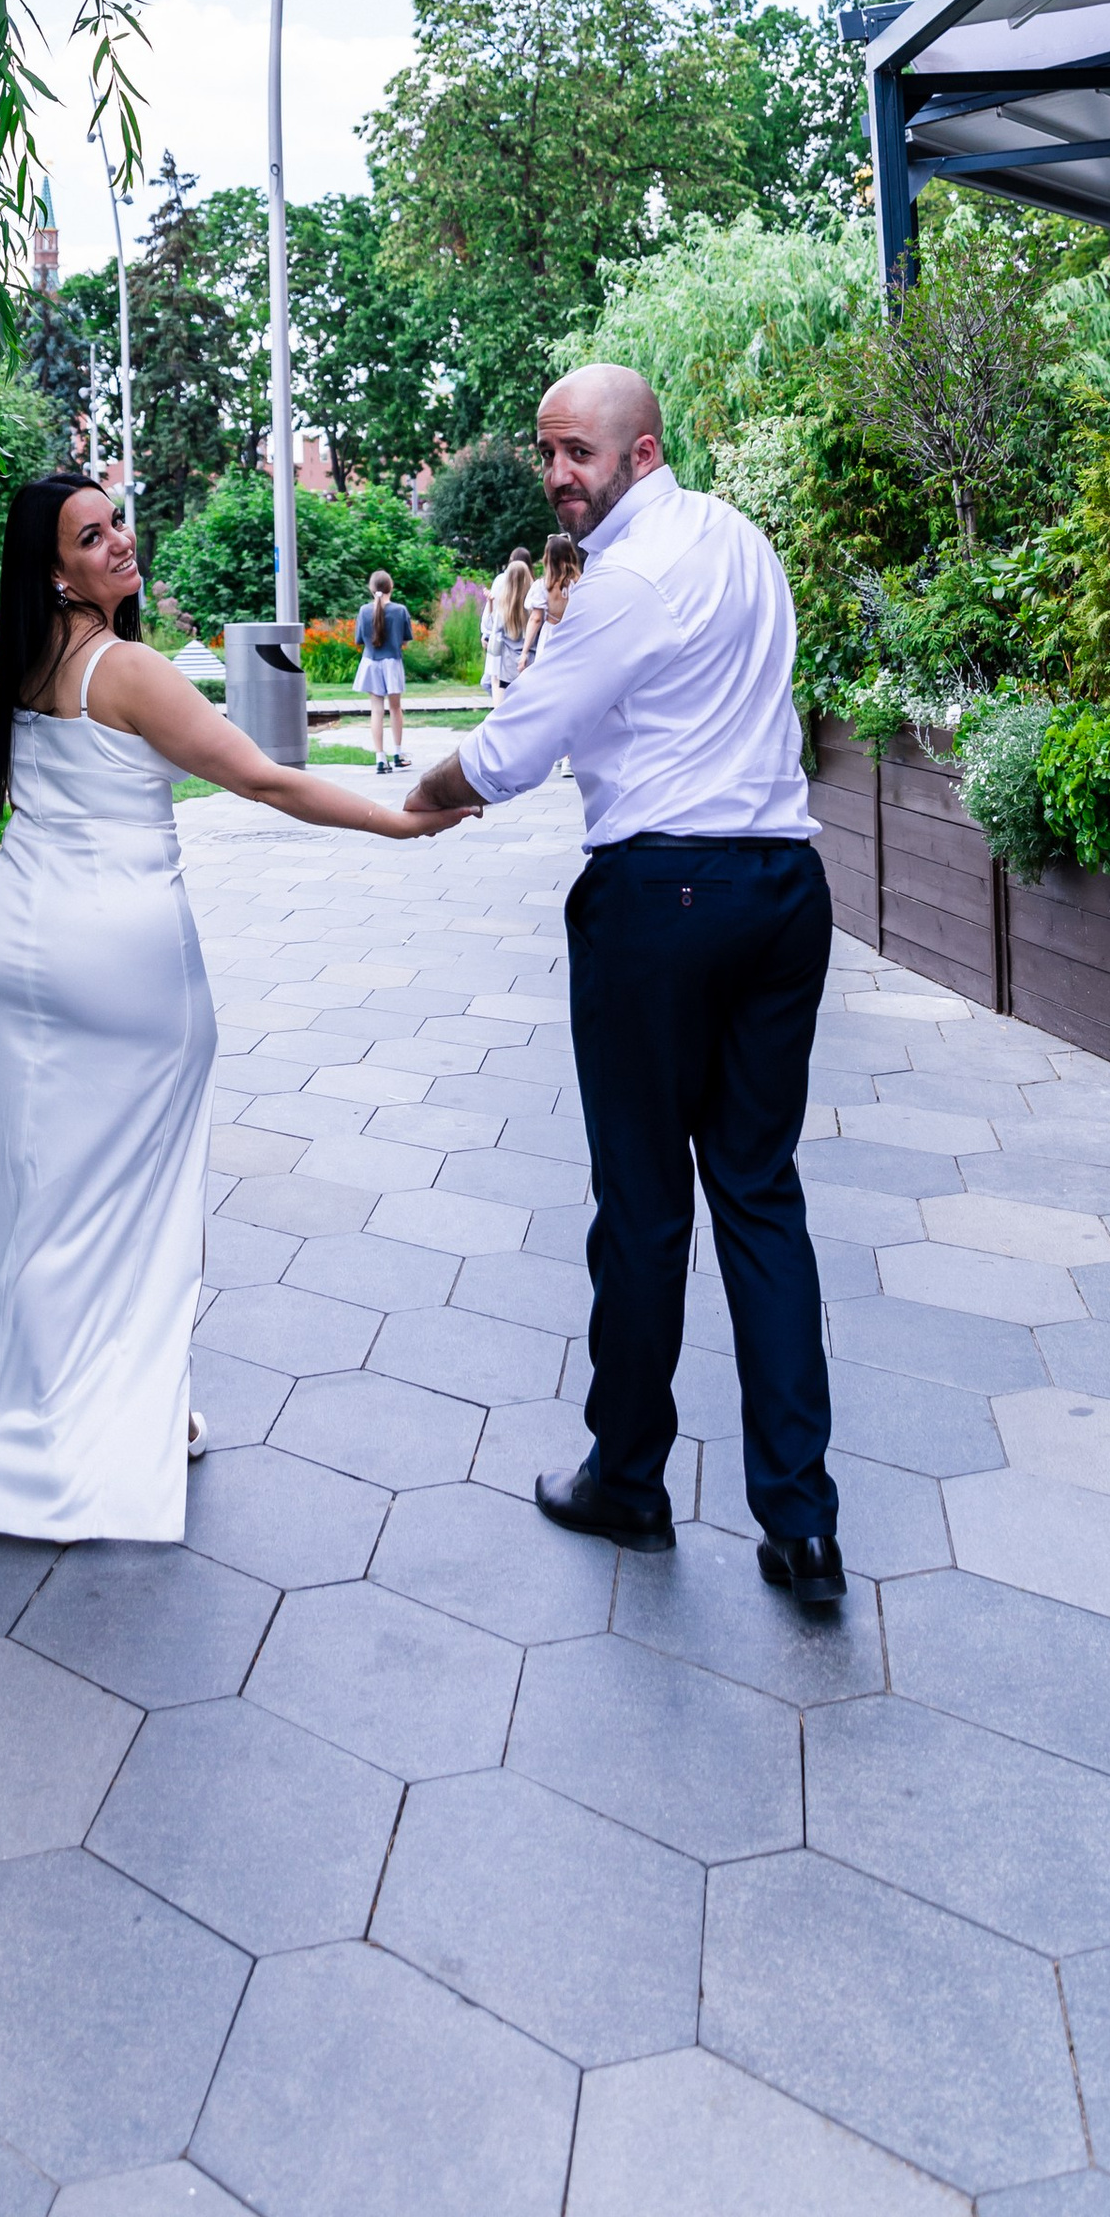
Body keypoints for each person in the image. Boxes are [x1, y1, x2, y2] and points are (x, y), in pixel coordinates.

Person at [0, 471, 459, 1546]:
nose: (119, 541)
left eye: (115, 520)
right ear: (54, 568)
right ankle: (111, 1421)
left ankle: (7, 1417)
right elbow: (265, 780)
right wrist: (398, 822)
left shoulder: (23, 661)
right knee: (123, 1201)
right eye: (91, 534)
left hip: (12, 933)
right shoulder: (129, 670)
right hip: (114, 954)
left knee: (22, 1192)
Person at [405, 368, 843, 1608]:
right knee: (759, 1196)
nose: (558, 475)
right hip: (781, 888)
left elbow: (513, 749)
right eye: (547, 452)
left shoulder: (624, 584)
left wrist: (415, 802)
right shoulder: (740, 540)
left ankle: (629, 1482)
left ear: (641, 452)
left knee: (645, 1207)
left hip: (665, 900)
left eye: (579, 453)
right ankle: (801, 1527)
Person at [356, 566, 415, 771]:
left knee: (376, 709)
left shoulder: (364, 610)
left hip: (371, 662)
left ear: (371, 589)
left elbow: (359, 640)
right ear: (392, 587)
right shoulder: (400, 611)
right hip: (392, 662)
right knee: (395, 708)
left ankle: (380, 757)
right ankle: (398, 753)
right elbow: (405, 640)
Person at [518, 529, 583, 676]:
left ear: (548, 558)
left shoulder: (542, 587)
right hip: (575, 635)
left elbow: (536, 618)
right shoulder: (581, 583)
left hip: (551, 635)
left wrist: (525, 652)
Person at [486, 545, 534, 700]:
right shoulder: (535, 606)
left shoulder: (503, 608)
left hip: (506, 667)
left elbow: (492, 627)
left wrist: (491, 605)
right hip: (530, 663)